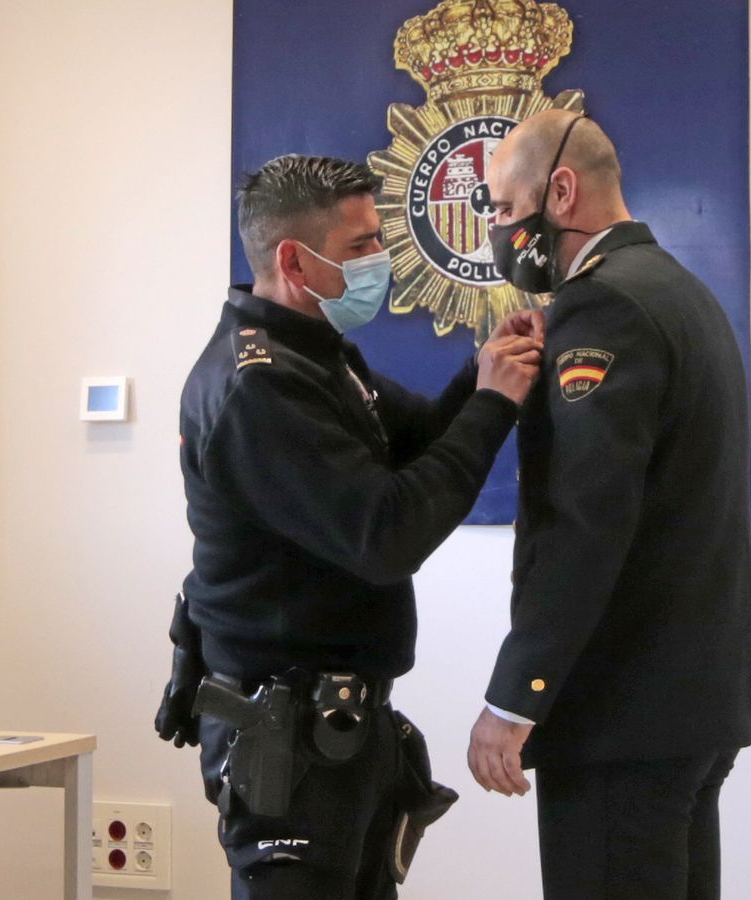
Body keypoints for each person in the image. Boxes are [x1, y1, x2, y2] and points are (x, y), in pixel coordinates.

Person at [154, 154, 544, 900]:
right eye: (361, 246)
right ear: (295, 260)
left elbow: (421, 439)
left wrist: (485, 367)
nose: (383, 261)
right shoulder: (257, 388)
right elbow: (386, 534)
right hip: (285, 742)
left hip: (339, 731)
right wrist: (495, 403)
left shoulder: (317, 355)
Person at [468, 111, 751, 899]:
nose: (499, 231)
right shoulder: (679, 293)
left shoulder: (603, 310)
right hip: (691, 703)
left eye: (502, 209)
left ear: (560, 192)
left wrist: (515, 696)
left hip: (620, 716)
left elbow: (585, 523)